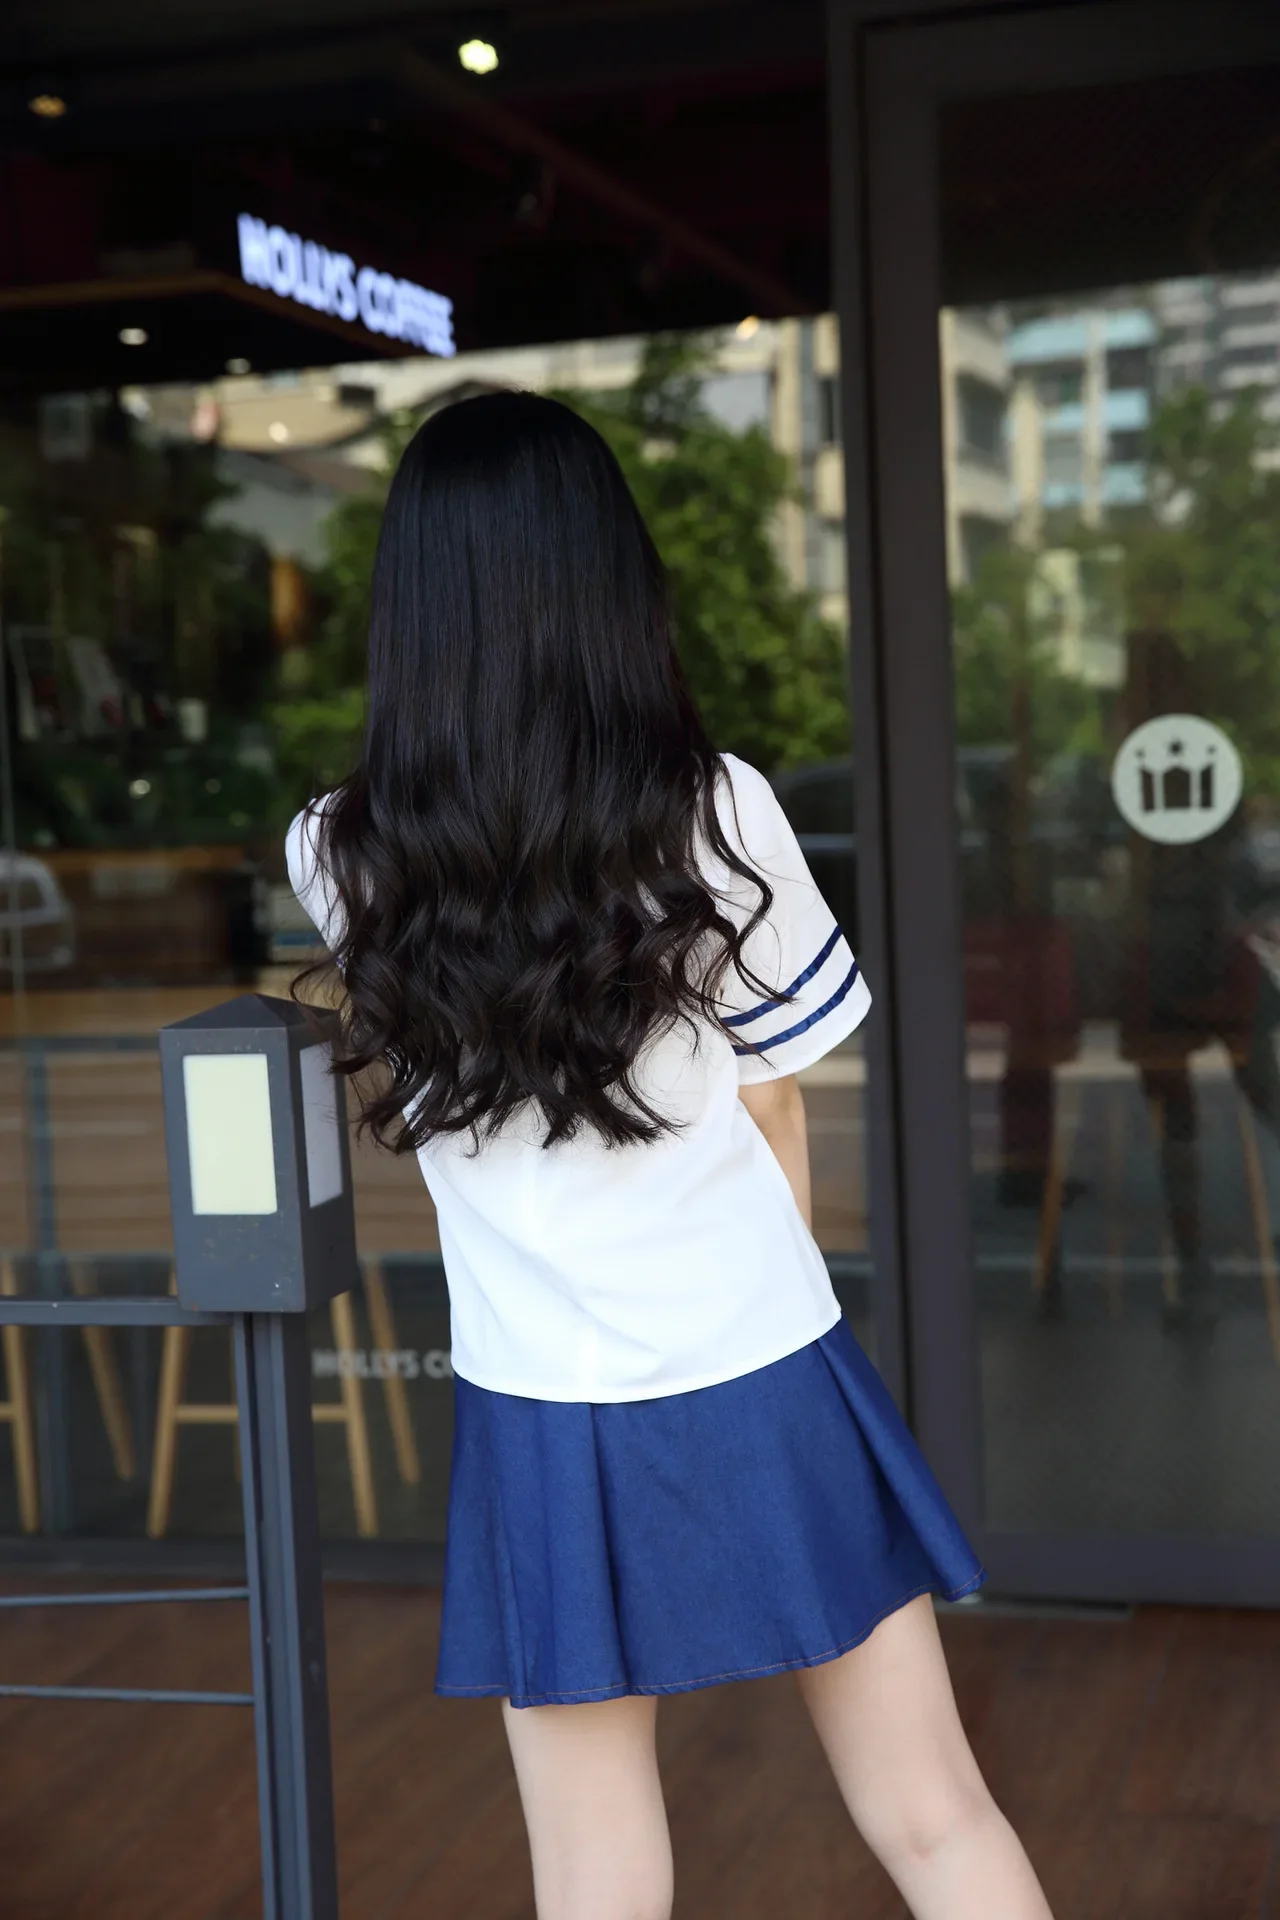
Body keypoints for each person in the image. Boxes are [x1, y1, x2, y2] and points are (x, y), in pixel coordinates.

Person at [286, 392, 1054, 1920]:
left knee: (591, 1868)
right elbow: (777, 1106)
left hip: (536, 1392)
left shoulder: (339, 850)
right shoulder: (715, 813)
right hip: (758, 1358)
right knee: (931, 1816)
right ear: (608, 584)